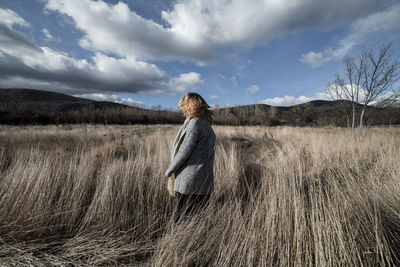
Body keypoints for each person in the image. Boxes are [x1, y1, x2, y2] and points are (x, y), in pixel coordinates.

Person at [164, 92, 216, 222]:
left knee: (182, 217)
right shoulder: (206, 124)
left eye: (184, 105)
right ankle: (197, 240)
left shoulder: (195, 123)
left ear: (191, 106)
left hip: (190, 178)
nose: (183, 109)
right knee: (198, 216)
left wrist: (170, 170)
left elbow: (184, 150)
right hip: (204, 177)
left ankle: (178, 240)